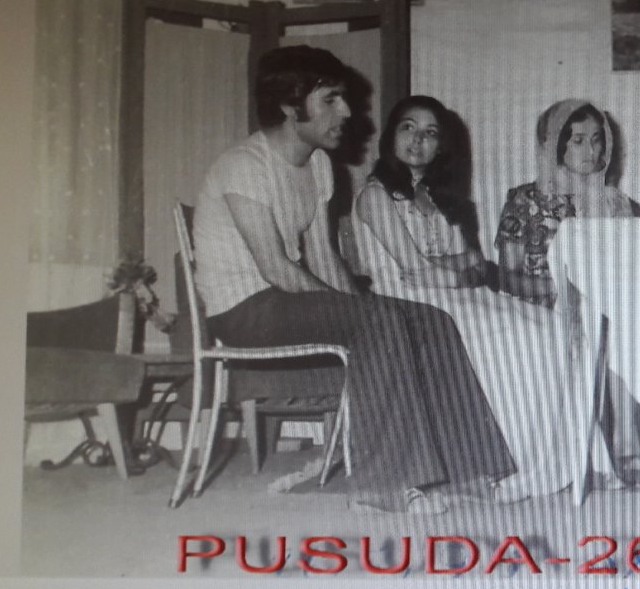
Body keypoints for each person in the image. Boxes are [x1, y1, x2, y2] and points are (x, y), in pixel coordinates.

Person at [193, 46, 513, 514]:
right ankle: (383, 487)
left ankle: (466, 470)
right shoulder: (246, 165)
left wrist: (364, 305)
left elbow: (324, 257)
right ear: (290, 106)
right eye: (331, 100)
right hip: (244, 310)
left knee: (432, 319)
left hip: (285, 301)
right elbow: (276, 268)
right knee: (376, 321)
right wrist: (362, 312)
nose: (346, 111)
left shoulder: (319, 165)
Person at [353, 95, 614, 500]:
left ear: (440, 146)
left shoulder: (436, 198)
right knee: (521, 338)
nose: (418, 140)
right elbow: (416, 271)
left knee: (551, 325)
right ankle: (513, 465)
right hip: (408, 303)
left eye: (430, 133)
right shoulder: (376, 196)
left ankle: (564, 458)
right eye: (408, 128)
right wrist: (456, 268)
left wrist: (452, 268)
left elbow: (474, 264)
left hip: (455, 294)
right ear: (390, 137)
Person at [495, 99, 640, 486]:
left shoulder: (616, 203)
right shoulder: (525, 200)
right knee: (590, 328)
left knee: (624, 333)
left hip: (601, 304)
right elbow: (508, 277)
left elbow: (632, 271)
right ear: (555, 145)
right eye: (578, 140)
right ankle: (590, 454)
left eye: (597, 140)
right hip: (541, 304)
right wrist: (561, 290)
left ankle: (627, 448)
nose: (591, 150)